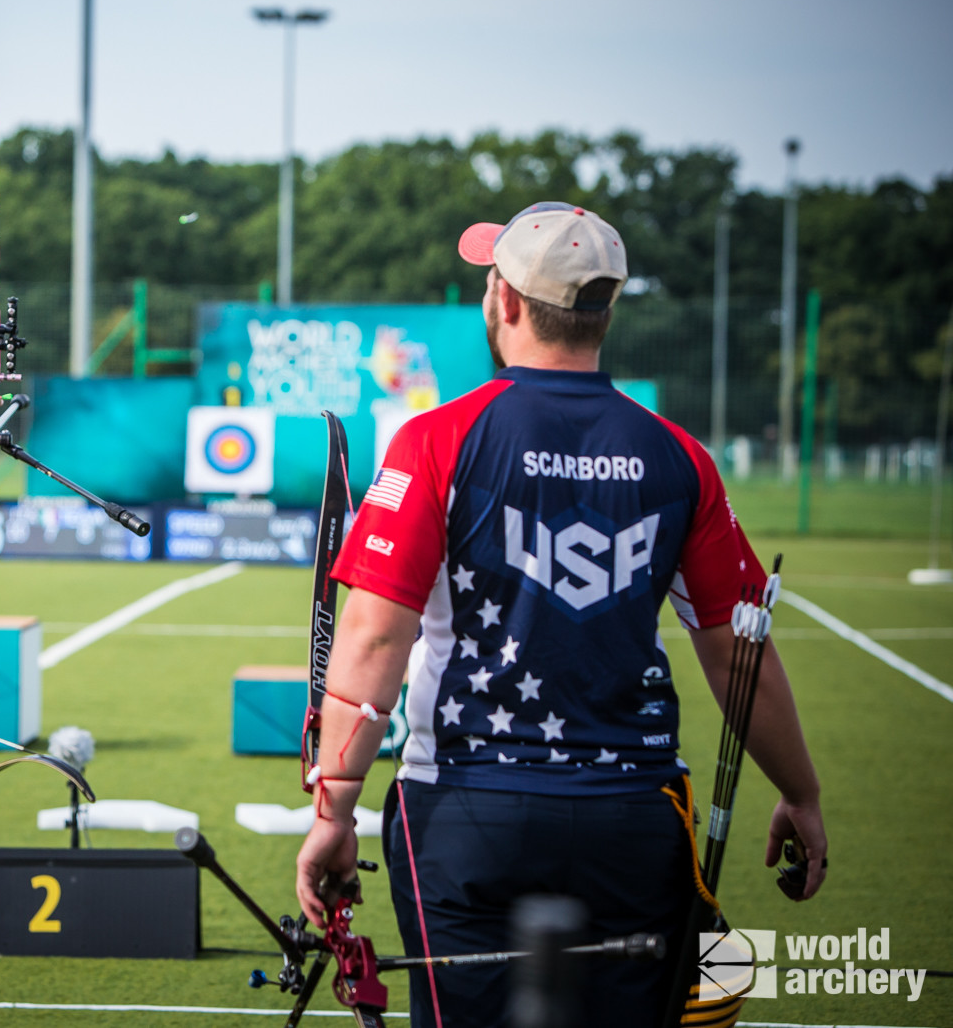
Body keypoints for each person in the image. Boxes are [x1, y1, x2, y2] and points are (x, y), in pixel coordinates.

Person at [294, 202, 827, 1027]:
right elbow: (738, 652)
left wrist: (335, 808)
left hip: (467, 814)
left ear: (505, 301)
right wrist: (801, 791)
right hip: (635, 814)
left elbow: (374, 633)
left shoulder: (437, 440)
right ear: (604, 311)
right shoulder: (679, 455)